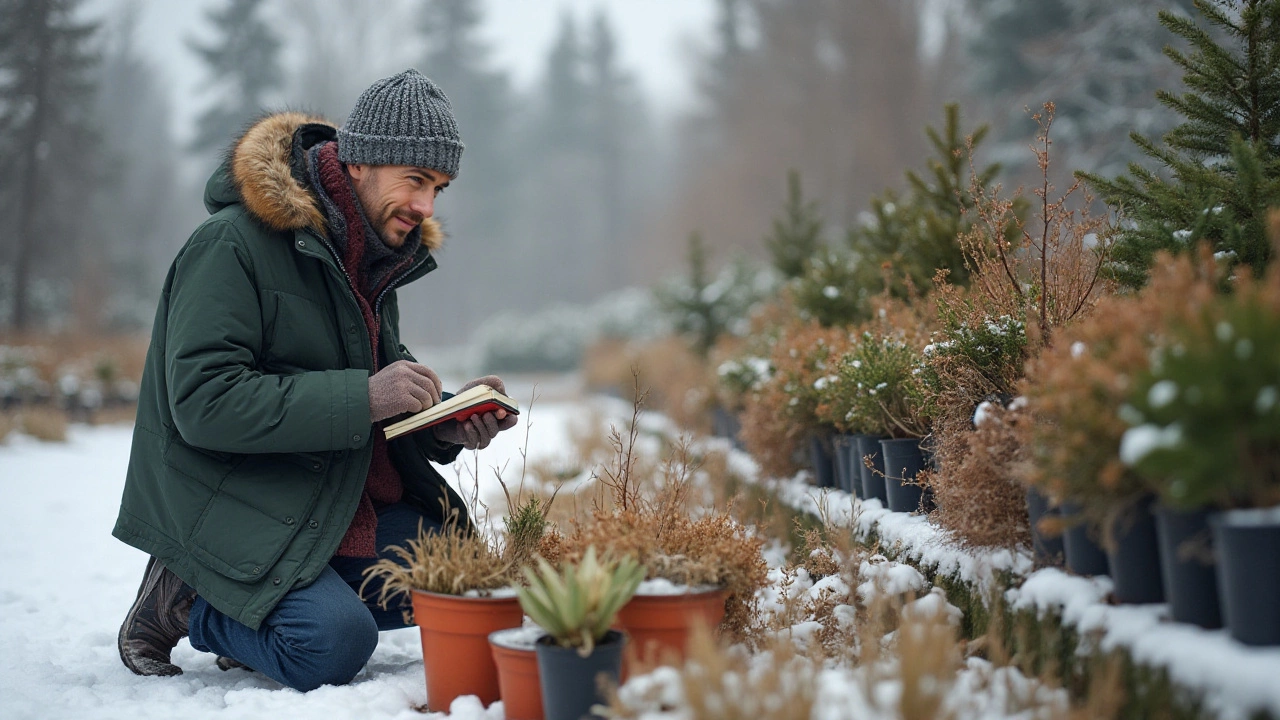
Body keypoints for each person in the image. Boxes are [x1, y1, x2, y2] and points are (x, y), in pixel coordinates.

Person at [112, 69, 517, 692]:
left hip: (327, 496)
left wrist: (445, 423)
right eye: (415, 180)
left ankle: (263, 614)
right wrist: (363, 397)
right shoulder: (230, 245)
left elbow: (380, 389)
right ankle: (187, 597)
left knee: (458, 579)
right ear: (359, 163)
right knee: (331, 646)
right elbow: (204, 402)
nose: (426, 206)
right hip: (237, 498)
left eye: (438, 186)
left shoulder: (376, 253)